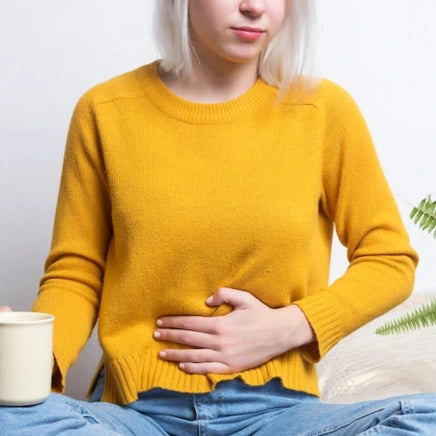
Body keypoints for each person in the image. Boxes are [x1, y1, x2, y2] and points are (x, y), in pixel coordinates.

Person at [1, 0, 436, 434]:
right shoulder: (105, 110)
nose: (255, 7)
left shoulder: (322, 111)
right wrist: (23, 361)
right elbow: (75, 274)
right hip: (134, 414)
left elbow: (389, 259)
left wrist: (290, 327)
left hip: (279, 414)